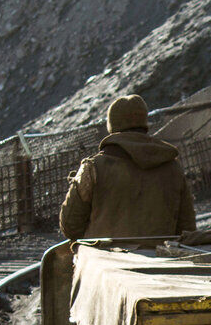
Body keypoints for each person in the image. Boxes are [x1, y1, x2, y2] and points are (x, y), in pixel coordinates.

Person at [59, 95, 196, 240]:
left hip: (106, 259)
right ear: (144, 123)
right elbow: (187, 229)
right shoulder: (172, 166)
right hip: (161, 258)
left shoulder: (93, 168)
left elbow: (70, 226)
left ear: (112, 125)